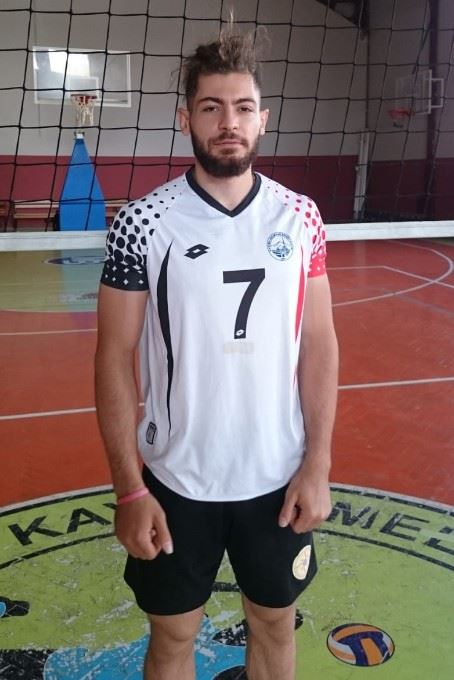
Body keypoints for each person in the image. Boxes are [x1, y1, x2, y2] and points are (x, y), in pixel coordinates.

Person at [95, 27, 338, 680]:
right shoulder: (142, 223)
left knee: (275, 626)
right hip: (177, 480)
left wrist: (317, 463)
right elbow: (114, 357)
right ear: (186, 119)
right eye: (211, 107)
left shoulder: (301, 217)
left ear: (263, 117)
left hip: (278, 477)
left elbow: (319, 342)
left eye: (242, 107)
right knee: (173, 637)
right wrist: (129, 489)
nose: (228, 122)